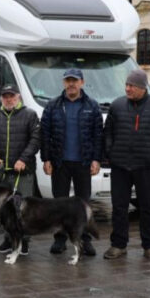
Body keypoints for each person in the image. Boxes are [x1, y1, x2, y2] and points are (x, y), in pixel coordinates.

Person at [103, 69, 150, 262]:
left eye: (131, 86)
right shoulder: (117, 106)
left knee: (148, 207)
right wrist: (110, 152)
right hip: (120, 166)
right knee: (119, 207)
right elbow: (107, 131)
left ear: (142, 88)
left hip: (146, 166)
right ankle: (118, 245)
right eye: (126, 85)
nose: (127, 89)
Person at [40, 68, 103, 257]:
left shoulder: (92, 106)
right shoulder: (53, 106)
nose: (71, 84)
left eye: (75, 80)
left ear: (82, 82)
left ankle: (85, 240)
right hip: (60, 162)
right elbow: (45, 134)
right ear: (63, 83)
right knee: (59, 203)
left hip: (83, 162)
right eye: (68, 80)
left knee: (83, 203)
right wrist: (46, 159)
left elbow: (98, 135)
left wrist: (96, 159)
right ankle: (59, 240)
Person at [0, 85, 41, 254]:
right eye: (5, 96)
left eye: (12, 96)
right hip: (3, 173)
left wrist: (23, 159)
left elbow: (36, 140)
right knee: (6, 210)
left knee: (24, 208)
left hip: (24, 172)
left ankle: (24, 242)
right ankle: (8, 240)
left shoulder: (30, 115)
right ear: (1, 98)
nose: (9, 99)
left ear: (18, 97)